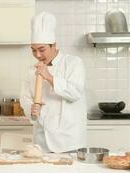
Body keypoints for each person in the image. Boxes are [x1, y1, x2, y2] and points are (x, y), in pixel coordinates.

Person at [20, 12, 87, 153]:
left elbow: (75, 92)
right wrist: (31, 110)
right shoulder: (31, 70)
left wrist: (49, 77)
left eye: (41, 50)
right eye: (33, 50)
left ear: (54, 45)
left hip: (68, 142)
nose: (37, 55)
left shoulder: (73, 63)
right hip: (42, 141)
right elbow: (25, 99)